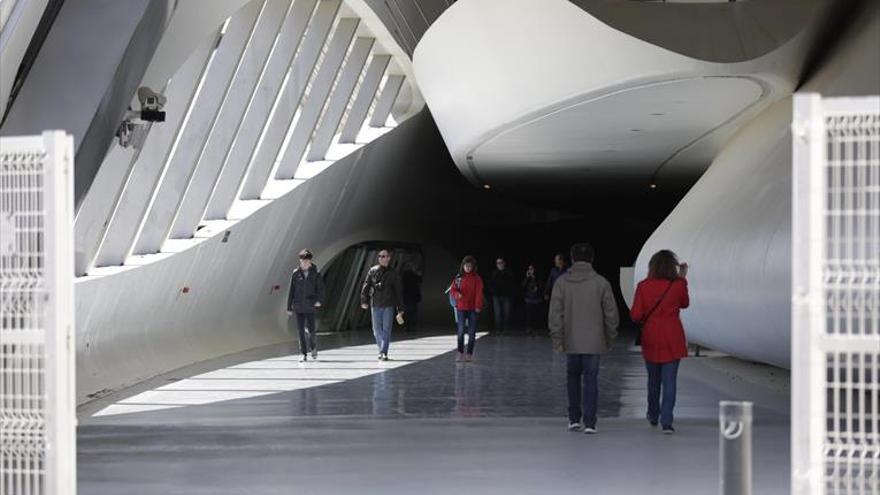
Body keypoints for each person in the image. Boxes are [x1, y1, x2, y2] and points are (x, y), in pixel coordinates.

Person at [549, 243, 619, 434]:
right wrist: (610, 338)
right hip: (594, 341)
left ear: (572, 259)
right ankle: (590, 422)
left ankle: (573, 419)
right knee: (591, 380)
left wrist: (557, 338)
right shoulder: (601, 283)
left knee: (572, 377)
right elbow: (611, 314)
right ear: (592, 259)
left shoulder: (561, 283)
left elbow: (555, 314)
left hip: (570, 341)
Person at [631, 250, 689, 434]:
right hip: (673, 335)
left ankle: (653, 414)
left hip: (651, 336)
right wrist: (682, 278)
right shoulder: (678, 285)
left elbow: (636, 315)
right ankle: (667, 422)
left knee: (653, 379)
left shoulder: (643, 286)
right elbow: (685, 303)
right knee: (670, 380)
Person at [361, 248, 404, 361]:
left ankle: (383, 352)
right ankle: (381, 349)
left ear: (389, 258)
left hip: (389, 305)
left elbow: (398, 291)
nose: (381, 258)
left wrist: (400, 308)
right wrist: (364, 300)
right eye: (380, 256)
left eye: (384, 256)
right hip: (375, 304)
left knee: (387, 329)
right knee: (376, 330)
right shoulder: (373, 270)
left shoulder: (393, 273)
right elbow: (366, 285)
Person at [287, 249, 325, 362]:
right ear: (300, 261)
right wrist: (289, 307)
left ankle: (313, 347)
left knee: (311, 331)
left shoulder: (316, 273)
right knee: (300, 331)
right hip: (298, 307)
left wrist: (319, 301)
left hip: (310, 306)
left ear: (310, 261)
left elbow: (321, 289)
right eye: (303, 261)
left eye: (307, 261)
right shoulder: (295, 273)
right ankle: (303, 354)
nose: (305, 263)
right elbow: (291, 291)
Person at [450, 255, 484, 362]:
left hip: (473, 309)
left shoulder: (477, 278)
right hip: (461, 308)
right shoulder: (459, 278)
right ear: (463, 266)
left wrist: (478, 306)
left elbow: (479, 293)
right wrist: (457, 295)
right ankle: (460, 352)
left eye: (470, 266)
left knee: (472, 332)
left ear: (473, 267)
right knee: (460, 331)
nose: (468, 268)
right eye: (466, 266)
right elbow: (452, 290)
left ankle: (469, 353)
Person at [489, 257, 516, 332]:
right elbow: (491, 284)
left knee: (506, 313)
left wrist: (510, 293)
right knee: (497, 314)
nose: (499, 264)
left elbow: (512, 284)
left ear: (504, 263)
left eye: (501, 263)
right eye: (498, 263)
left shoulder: (509, 272)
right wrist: (493, 292)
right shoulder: (494, 273)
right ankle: (498, 329)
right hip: (496, 296)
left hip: (506, 296)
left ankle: (506, 329)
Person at [401, 263, 423, 332]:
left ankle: (407, 326)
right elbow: (420, 280)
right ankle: (413, 326)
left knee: (407, 312)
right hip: (413, 296)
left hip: (406, 296)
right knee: (413, 311)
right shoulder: (414, 274)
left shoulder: (403, 276)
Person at [522, 264, 543, 334]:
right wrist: (527, 278)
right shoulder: (527, 278)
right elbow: (523, 286)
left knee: (536, 315)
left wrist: (536, 283)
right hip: (529, 299)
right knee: (529, 315)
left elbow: (541, 286)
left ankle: (537, 329)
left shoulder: (538, 277)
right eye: (529, 269)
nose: (531, 271)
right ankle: (529, 329)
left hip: (537, 299)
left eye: (532, 269)